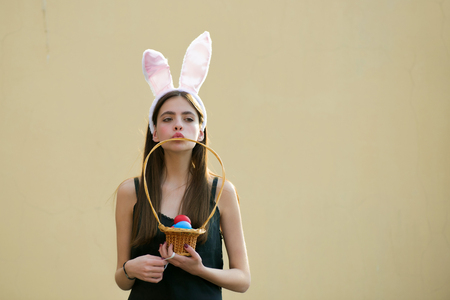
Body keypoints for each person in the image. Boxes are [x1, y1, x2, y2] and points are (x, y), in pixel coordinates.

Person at [114, 32, 250, 299]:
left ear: (200, 132)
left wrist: (199, 269)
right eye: (168, 118)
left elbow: (242, 279)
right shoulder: (131, 192)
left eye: (188, 118)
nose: (178, 125)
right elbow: (122, 278)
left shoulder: (222, 192)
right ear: (155, 132)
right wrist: (131, 268)